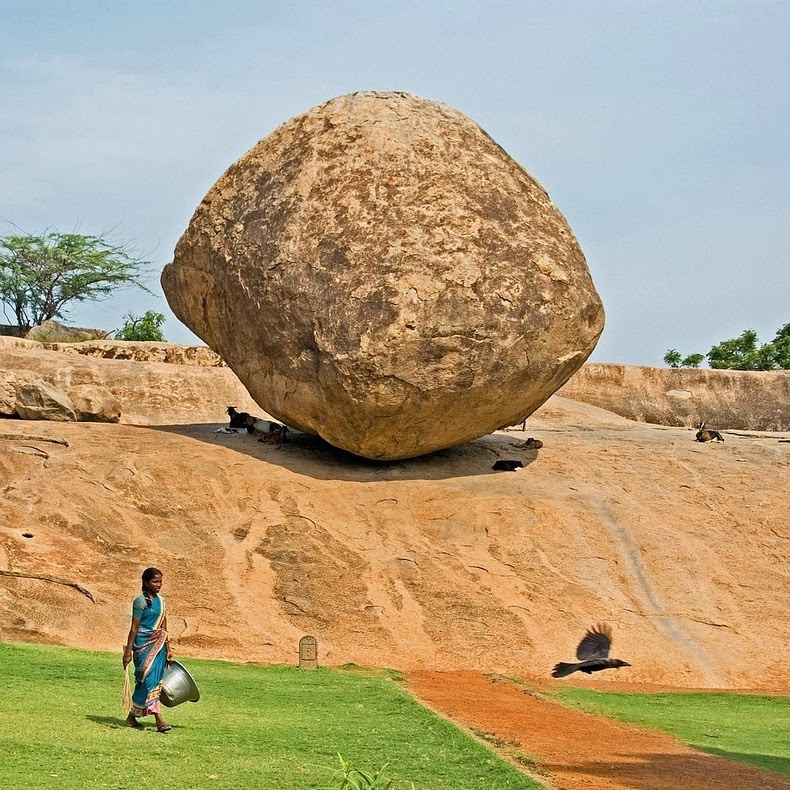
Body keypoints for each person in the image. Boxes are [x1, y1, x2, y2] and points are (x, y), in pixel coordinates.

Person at [123, 567, 174, 732]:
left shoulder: (162, 601)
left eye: (160, 581)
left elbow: (164, 626)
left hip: (158, 645)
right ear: (146, 582)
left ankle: (132, 716)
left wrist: (168, 648)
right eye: (155, 581)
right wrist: (128, 652)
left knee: (151, 682)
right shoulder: (140, 602)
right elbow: (134, 628)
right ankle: (159, 720)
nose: (158, 584)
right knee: (147, 681)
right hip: (142, 646)